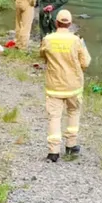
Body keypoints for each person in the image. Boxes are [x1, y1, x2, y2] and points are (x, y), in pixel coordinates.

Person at [39, 9, 91, 163]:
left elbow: (42, 55)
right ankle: (71, 145)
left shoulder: (48, 39)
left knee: (54, 117)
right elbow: (85, 63)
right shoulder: (76, 40)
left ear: (56, 23)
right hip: (74, 85)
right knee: (73, 113)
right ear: (69, 24)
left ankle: (53, 152)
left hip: (54, 85)